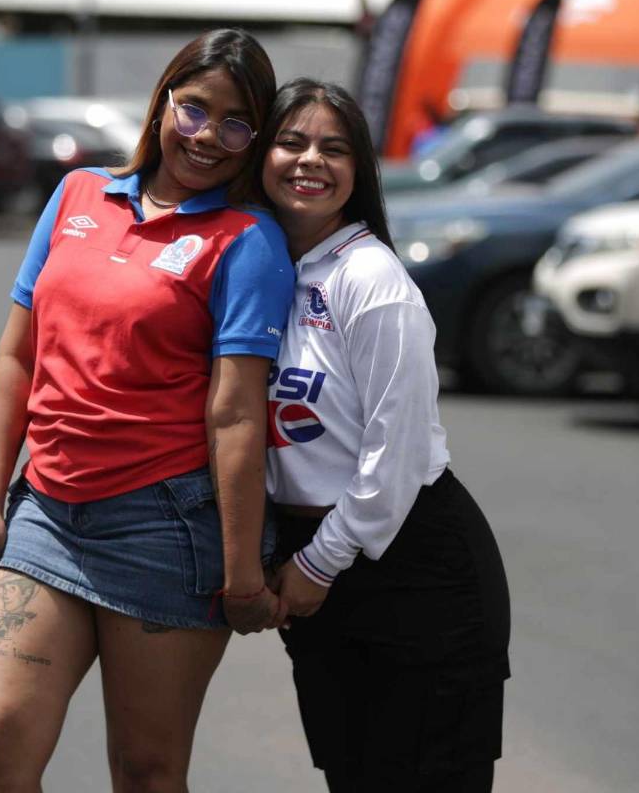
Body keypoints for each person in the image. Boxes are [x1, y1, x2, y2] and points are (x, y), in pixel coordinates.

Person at [0, 29, 295, 792]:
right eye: (196, 108)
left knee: (145, 771)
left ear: (256, 138)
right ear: (164, 101)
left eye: (237, 122)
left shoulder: (247, 240)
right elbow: (18, 357)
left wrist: (241, 577)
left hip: (166, 530)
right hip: (47, 512)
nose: (208, 136)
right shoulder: (77, 194)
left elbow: (236, 416)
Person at [257, 78, 512, 792]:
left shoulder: (371, 277)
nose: (311, 160)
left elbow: (393, 454)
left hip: (415, 573)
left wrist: (315, 566)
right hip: (322, 571)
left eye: (334, 149)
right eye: (292, 141)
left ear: (359, 170)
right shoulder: (266, 274)